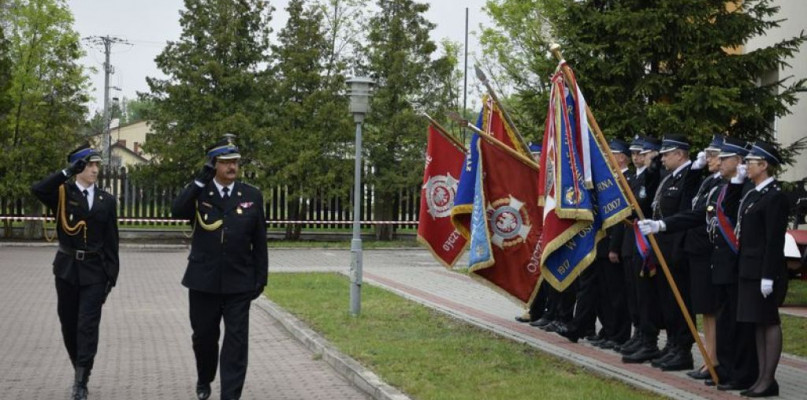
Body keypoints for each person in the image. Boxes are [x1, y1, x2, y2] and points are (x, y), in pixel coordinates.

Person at [640, 137, 758, 390]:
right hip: (709, 254)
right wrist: (662, 224)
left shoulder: (740, 187)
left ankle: (724, 364)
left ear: (739, 162)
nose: (714, 161)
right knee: (710, 311)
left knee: (725, 316)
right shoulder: (714, 183)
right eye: (716, 156)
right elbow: (694, 208)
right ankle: (715, 361)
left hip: (721, 256)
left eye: (720, 157)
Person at [171, 136, 268, 400]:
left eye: (235, 161)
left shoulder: (251, 195)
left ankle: (230, 395)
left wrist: (261, 278)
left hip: (239, 280)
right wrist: (199, 181)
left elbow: (260, 240)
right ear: (213, 165)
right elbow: (177, 211)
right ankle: (204, 378)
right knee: (204, 337)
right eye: (225, 162)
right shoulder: (200, 193)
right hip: (203, 280)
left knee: (236, 342)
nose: (232, 167)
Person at [31, 145, 119, 400]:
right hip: (67, 270)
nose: (94, 170)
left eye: (96, 166)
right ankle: (79, 366)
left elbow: (112, 242)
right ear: (78, 167)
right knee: (69, 325)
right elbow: (38, 189)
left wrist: (111, 277)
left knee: (87, 326)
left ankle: (81, 380)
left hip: (95, 272)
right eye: (89, 165)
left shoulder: (106, 200)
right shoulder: (61, 193)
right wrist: (66, 172)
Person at [734, 141, 789, 397]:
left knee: (768, 321)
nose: (746, 166)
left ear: (764, 165)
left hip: (764, 271)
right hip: (749, 268)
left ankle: (768, 379)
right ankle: (761, 378)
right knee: (757, 322)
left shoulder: (775, 196)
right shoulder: (754, 193)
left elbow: (774, 240)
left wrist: (768, 275)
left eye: (751, 162)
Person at [648, 134, 703, 371]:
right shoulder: (669, 176)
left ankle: (683, 349)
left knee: (681, 302)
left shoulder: (690, 177)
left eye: (666, 154)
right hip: (663, 248)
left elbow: (685, 215)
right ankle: (672, 344)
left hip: (677, 250)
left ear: (680, 154)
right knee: (667, 302)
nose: (662, 159)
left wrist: (678, 249)